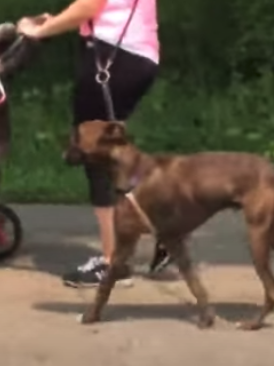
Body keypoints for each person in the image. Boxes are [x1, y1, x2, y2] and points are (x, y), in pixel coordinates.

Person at [17, 0, 171, 287]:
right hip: (136, 54)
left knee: (97, 157)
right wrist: (58, 20)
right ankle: (165, 228)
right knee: (115, 155)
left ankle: (113, 262)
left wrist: (42, 30)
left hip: (112, 56)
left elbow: (89, 5)